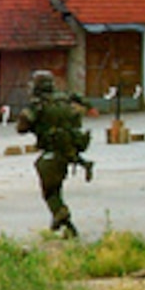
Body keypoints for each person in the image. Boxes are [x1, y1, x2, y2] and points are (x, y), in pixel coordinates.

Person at [16, 70, 94, 237]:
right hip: (68, 151)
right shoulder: (65, 98)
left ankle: (64, 219)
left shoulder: (38, 105)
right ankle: (58, 223)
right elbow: (82, 103)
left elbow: (21, 128)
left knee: (49, 191)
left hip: (52, 152)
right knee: (56, 187)